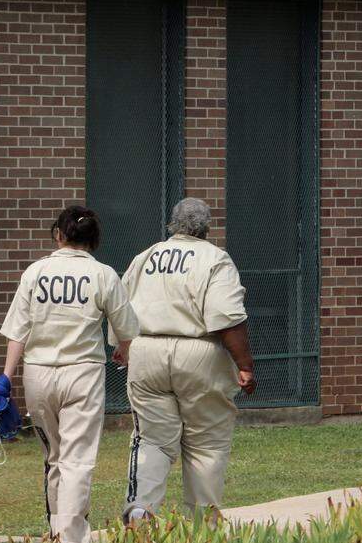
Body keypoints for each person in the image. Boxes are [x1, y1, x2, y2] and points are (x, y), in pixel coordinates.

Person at [0, 205, 139, 543]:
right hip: (82, 373)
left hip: (38, 375)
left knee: (54, 458)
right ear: (94, 239)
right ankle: (70, 536)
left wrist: (5, 378)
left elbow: (18, 331)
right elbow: (126, 330)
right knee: (77, 460)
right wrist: (124, 350)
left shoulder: (35, 272)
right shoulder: (103, 274)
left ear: (58, 234)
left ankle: (57, 530)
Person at [120, 197, 255, 523]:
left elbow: (120, 303)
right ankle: (202, 521)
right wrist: (245, 365)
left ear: (173, 223)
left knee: (151, 438)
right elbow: (226, 317)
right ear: (207, 226)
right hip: (199, 352)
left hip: (146, 349)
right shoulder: (215, 258)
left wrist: (122, 345)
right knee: (206, 444)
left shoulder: (147, 255)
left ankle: (140, 508)